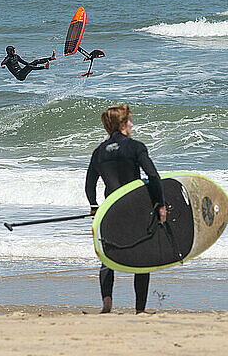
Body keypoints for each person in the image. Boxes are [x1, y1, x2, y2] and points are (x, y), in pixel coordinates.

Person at [85, 105, 167, 314]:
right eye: (129, 120)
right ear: (122, 124)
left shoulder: (99, 152)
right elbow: (154, 176)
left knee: (107, 257)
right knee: (142, 259)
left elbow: (89, 184)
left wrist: (95, 207)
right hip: (135, 209)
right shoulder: (135, 147)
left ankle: (106, 305)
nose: (132, 124)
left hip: (110, 210)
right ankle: (139, 310)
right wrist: (161, 204)